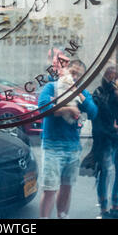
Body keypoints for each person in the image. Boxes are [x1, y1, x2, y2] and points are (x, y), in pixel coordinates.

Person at [38, 58, 98, 219]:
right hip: (52, 145)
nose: (76, 77)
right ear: (66, 71)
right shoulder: (52, 87)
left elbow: (93, 113)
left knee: (67, 187)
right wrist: (69, 108)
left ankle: (62, 216)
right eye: (73, 73)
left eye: (79, 75)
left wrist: (77, 92)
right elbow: (43, 107)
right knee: (50, 189)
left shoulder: (82, 93)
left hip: (73, 147)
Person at [92, 66, 118, 219]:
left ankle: (115, 207)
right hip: (107, 137)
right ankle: (104, 210)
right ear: (106, 76)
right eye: (114, 76)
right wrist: (113, 131)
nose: (116, 80)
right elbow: (97, 120)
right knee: (105, 170)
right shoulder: (98, 93)